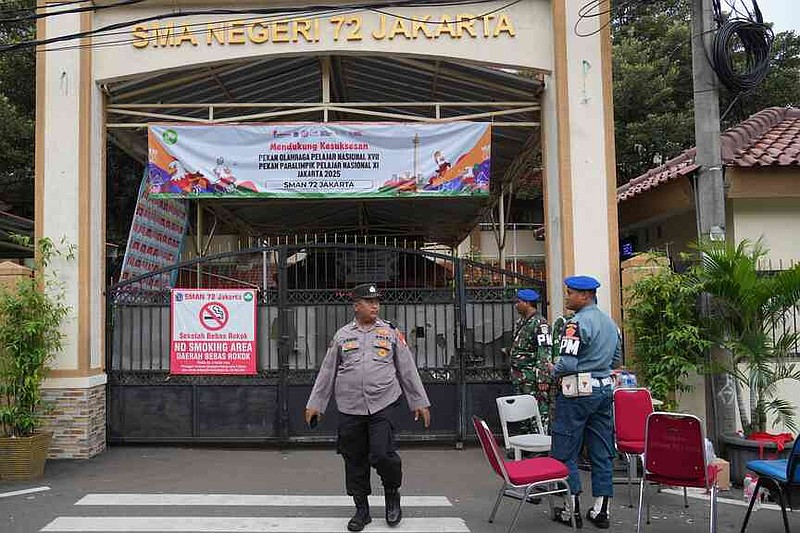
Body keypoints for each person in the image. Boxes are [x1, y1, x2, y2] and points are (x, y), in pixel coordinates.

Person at [305, 283, 431, 532]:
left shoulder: (391, 333)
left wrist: (419, 401)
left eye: (376, 301)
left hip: (382, 404)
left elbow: (407, 369)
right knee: (354, 459)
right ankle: (361, 510)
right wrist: (316, 404)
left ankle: (392, 493)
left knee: (383, 454)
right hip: (350, 407)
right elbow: (327, 372)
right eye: (368, 301)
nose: (375, 305)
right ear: (356, 305)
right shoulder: (342, 335)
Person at [549, 276, 622, 530]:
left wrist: (552, 368)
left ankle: (572, 511)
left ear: (585, 295)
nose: (567, 297)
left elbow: (567, 364)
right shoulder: (611, 324)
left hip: (577, 393)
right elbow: (615, 361)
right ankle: (601, 511)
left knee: (565, 450)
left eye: (570, 293)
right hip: (603, 392)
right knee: (601, 452)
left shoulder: (575, 324)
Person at [508, 288, 554, 431]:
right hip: (520, 377)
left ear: (527, 303)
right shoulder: (521, 322)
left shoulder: (540, 324)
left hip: (532, 378)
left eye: (519, 302)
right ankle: (525, 445)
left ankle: (539, 447)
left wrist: (542, 378)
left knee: (538, 412)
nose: (516, 305)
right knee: (523, 412)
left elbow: (544, 351)